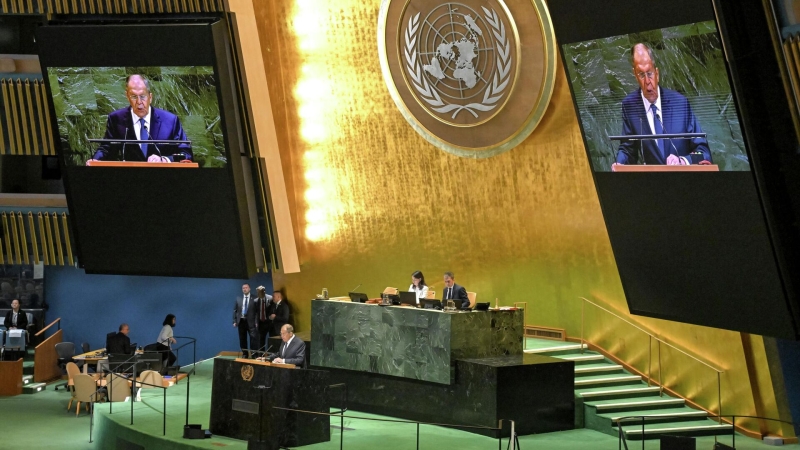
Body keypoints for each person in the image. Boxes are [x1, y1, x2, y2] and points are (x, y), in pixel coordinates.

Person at [614, 43, 711, 167]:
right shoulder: (630, 106)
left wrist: (682, 161)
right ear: (635, 76)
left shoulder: (680, 103)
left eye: (650, 73)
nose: (647, 82)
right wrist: (619, 164)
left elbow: (703, 151)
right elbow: (628, 149)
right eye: (641, 75)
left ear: (657, 73)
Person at [89, 74, 192, 164]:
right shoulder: (116, 119)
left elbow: (186, 154)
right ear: (127, 97)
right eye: (134, 97)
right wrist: (95, 160)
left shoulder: (170, 121)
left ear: (150, 97)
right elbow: (106, 149)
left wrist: (164, 160)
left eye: (143, 96)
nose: (139, 102)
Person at [233, 284, 258, 356]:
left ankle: (254, 354)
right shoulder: (239, 299)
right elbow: (235, 310)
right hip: (241, 321)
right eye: (243, 288)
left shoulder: (255, 298)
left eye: (246, 288)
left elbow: (257, 311)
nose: (244, 289)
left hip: (251, 322)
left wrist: (256, 321)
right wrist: (234, 321)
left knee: (253, 339)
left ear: (249, 289)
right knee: (242, 339)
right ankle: (245, 354)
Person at [255, 286, 273, 354]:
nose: (258, 294)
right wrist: (256, 322)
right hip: (261, 323)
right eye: (257, 292)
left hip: (269, 322)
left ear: (264, 291)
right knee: (261, 340)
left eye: (260, 292)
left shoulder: (270, 298)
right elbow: (255, 313)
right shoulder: (256, 301)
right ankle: (261, 355)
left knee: (272, 339)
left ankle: (271, 355)